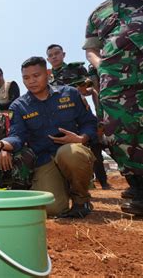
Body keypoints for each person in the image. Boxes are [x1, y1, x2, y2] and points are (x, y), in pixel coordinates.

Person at [2, 57, 97, 218]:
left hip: (71, 152)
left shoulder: (71, 93)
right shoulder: (19, 106)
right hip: (44, 159)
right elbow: (17, 136)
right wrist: (1, 145)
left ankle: (81, 200)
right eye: (26, 78)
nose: (31, 81)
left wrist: (82, 138)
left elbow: (90, 122)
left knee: (71, 154)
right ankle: (63, 188)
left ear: (48, 73)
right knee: (51, 209)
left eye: (36, 75)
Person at [83, 0, 143, 216]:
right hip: (116, 84)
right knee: (119, 133)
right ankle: (139, 188)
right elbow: (91, 48)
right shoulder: (99, 13)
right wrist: (102, 67)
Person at [47, 44, 111, 190]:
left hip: (80, 114)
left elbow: (90, 89)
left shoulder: (75, 69)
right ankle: (80, 184)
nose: (54, 57)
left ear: (63, 54)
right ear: (47, 59)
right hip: (62, 118)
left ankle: (103, 182)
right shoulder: (48, 78)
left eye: (56, 53)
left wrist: (82, 90)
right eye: (50, 55)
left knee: (94, 147)